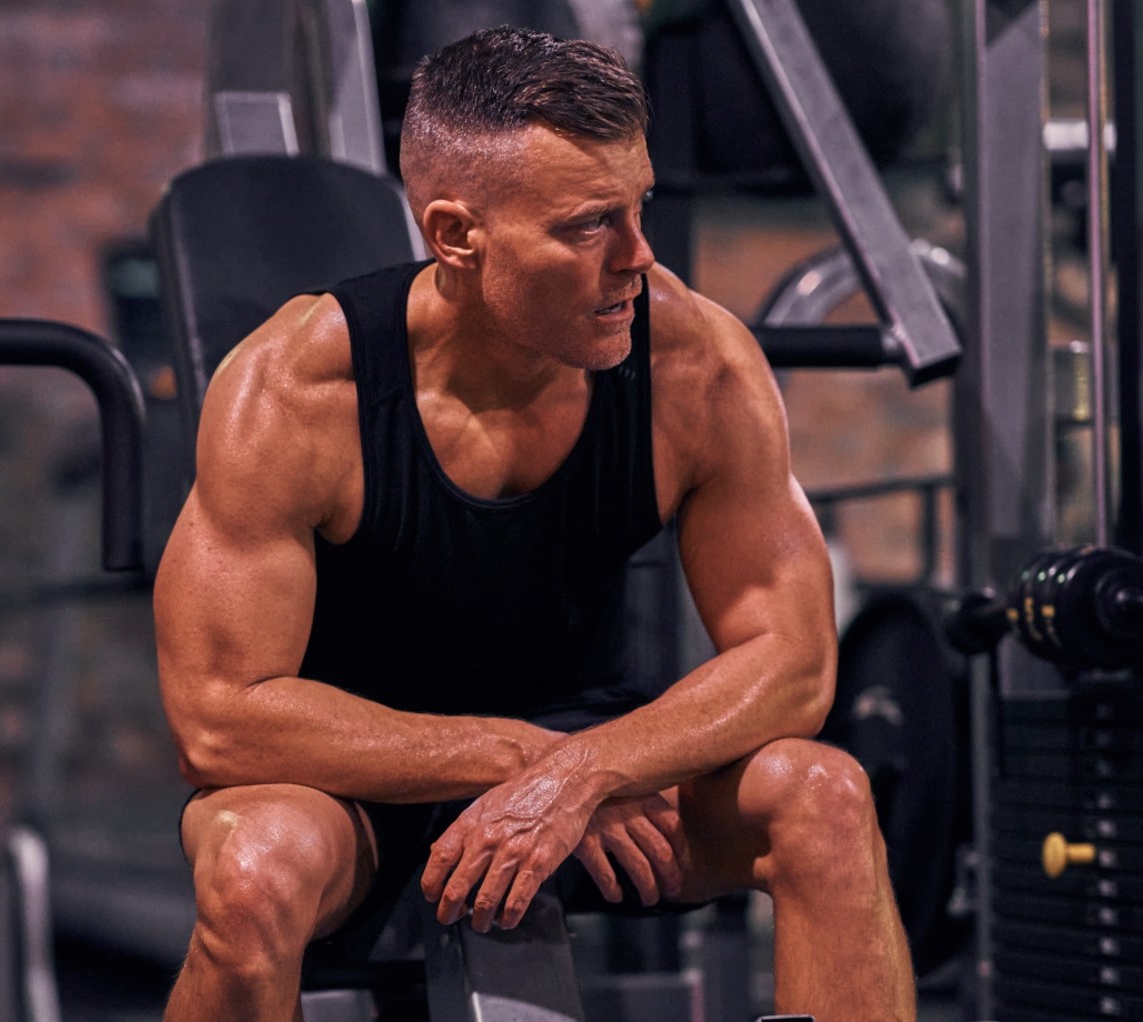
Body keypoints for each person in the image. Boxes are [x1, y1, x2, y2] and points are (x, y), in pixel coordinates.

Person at [153, 25, 916, 1022]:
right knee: (250, 872)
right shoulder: (297, 387)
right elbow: (221, 715)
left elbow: (795, 663)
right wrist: (520, 760)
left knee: (826, 796)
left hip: (604, 776)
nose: (639, 256)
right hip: (348, 781)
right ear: (457, 235)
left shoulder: (695, 364)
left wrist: (590, 767)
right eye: (591, 224)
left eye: (638, 205)